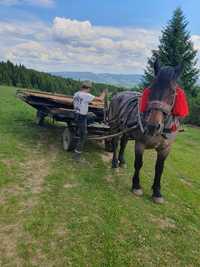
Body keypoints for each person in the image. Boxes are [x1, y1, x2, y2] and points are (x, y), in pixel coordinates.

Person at [73, 80, 106, 160]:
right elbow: (101, 99)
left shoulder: (76, 94)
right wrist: (104, 92)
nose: (89, 90)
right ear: (88, 88)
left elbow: (80, 102)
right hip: (81, 117)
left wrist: (88, 103)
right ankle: (77, 156)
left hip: (76, 114)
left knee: (92, 115)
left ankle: (81, 129)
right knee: (83, 136)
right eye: (89, 89)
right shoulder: (86, 95)